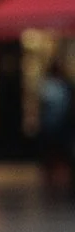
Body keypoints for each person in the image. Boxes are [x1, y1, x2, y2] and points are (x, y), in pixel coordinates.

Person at [38, 60, 74, 194]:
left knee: (56, 149)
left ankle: (56, 172)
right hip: (56, 124)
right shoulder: (57, 85)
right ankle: (55, 172)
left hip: (57, 124)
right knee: (56, 149)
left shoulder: (52, 85)